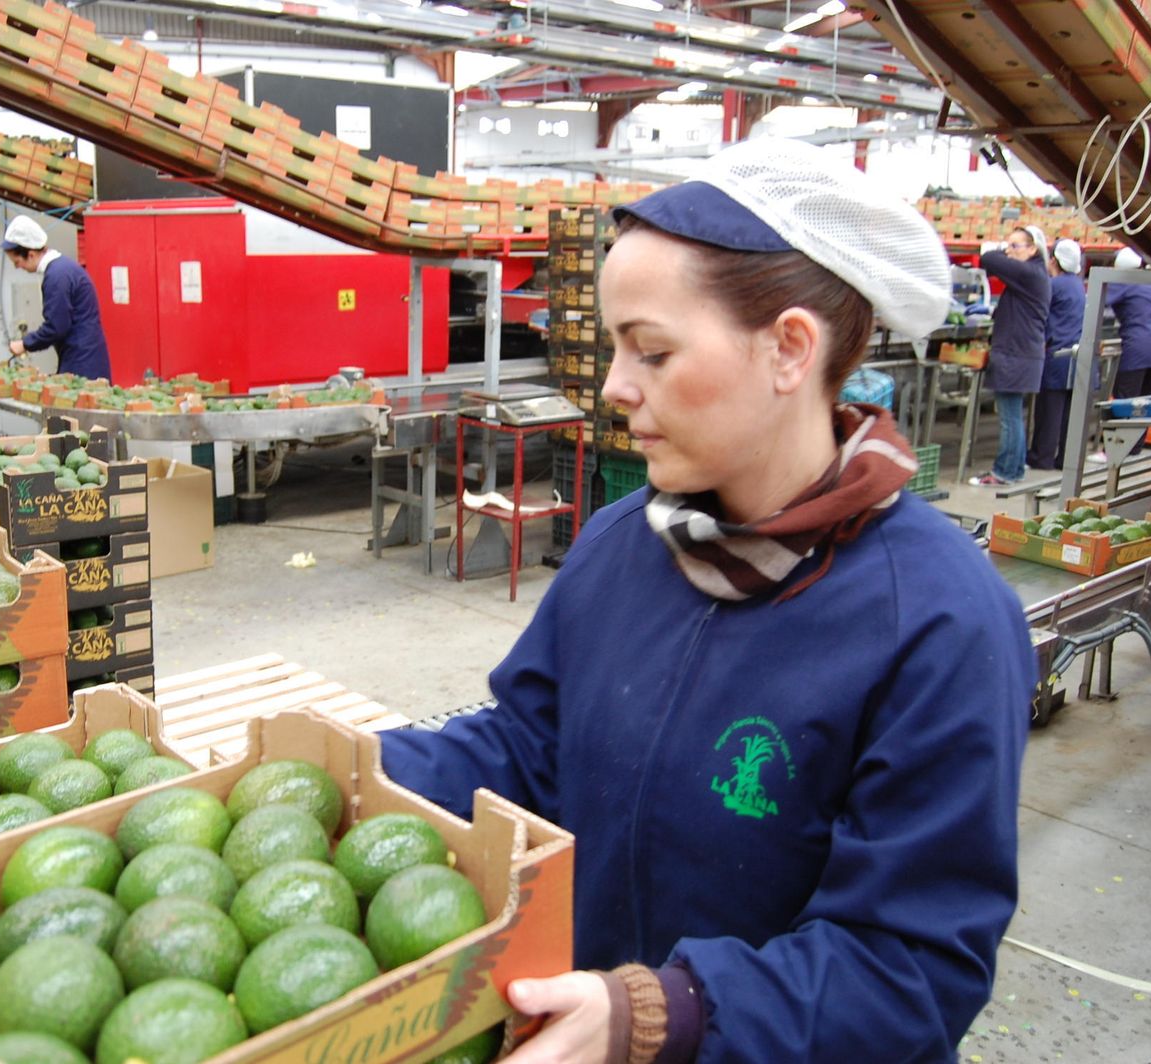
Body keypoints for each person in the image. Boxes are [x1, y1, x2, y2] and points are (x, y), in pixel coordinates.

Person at [378, 138, 1033, 1064]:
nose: (614, 386)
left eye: (651, 350)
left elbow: (910, 971)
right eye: (615, 348)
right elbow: (528, 748)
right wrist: (349, 767)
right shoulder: (624, 544)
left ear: (789, 350)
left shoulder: (937, 621)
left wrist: (669, 1014)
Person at [969, 225, 1050, 486]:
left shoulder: (1029, 273)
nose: (1010, 251)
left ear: (1032, 249)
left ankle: (1004, 472)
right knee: (1013, 416)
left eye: (1015, 246)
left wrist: (1000, 251)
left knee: (1009, 418)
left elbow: (988, 259)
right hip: (1023, 355)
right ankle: (1014, 469)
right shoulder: (1034, 273)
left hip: (1016, 356)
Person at [0, 216, 112, 379]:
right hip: (86, 355)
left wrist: (25, 344)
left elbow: (56, 327)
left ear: (30, 254)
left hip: (81, 361)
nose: (18, 267)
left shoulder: (56, 276)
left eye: (17, 262)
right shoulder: (64, 268)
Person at [1028, 238, 1090, 470]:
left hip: (1058, 356)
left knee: (1049, 412)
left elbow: (1036, 312)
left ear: (1054, 260)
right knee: (1068, 415)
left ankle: (1041, 458)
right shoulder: (1078, 284)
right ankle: (1065, 459)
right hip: (1077, 355)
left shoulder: (1054, 285)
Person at [1106, 248, 1151, 399]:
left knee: (1126, 400)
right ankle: (1142, 424)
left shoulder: (1123, 282)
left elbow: (1095, 301)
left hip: (1140, 346)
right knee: (1145, 402)